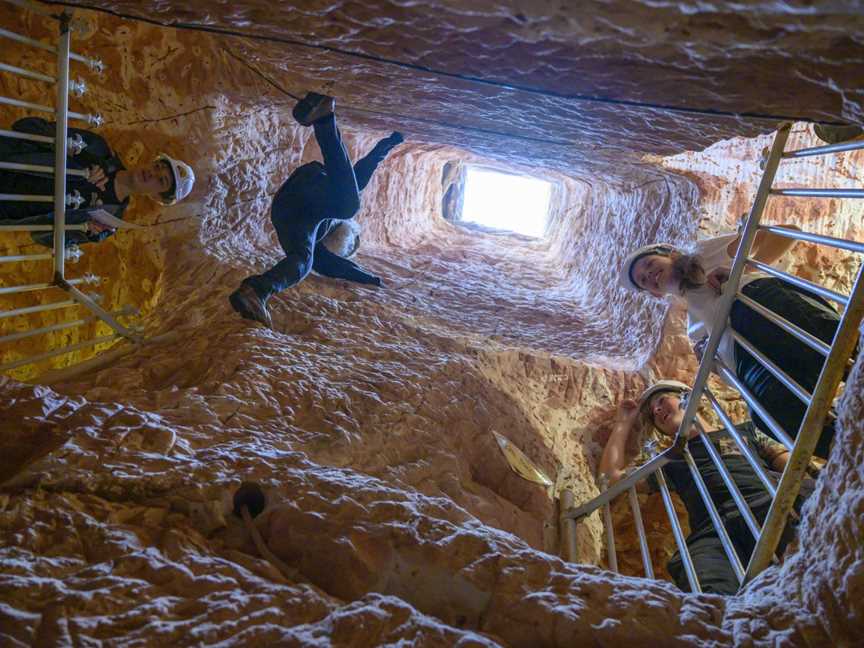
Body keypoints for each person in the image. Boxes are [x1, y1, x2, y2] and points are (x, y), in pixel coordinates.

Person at [618, 226, 841, 459]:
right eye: (643, 280)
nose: (649, 274)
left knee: (750, 314)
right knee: (764, 417)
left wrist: (742, 269)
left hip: (764, 307)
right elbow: (728, 371)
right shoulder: (693, 328)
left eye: (649, 264)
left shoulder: (701, 253)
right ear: (655, 294)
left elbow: (786, 233)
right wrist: (710, 360)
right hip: (753, 360)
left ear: (670, 254)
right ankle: (847, 446)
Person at [599, 380, 817, 594]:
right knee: (702, 579)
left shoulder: (742, 432)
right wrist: (623, 423)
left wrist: (810, 492)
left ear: (687, 397)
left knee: (808, 539)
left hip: (767, 504)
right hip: (712, 533)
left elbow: (795, 467)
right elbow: (610, 479)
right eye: (652, 414)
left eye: (663, 400)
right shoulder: (669, 462)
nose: (656, 410)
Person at [229, 92, 404, 327]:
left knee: (305, 261)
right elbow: (362, 171)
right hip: (305, 190)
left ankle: (255, 291)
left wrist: (370, 279)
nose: (342, 246)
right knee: (350, 199)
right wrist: (389, 143)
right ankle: (324, 119)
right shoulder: (336, 210)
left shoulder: (314, 245)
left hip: (292, 210)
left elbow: (338, 268)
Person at [0, 117, 195, 247]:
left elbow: (42, 237)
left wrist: (81, 229)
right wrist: (80, 154)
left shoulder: (107, 222)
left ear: (157, 197)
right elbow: (26, 127)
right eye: (158, 166)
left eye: (161, 181)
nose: (152, 173)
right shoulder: (98, 148)